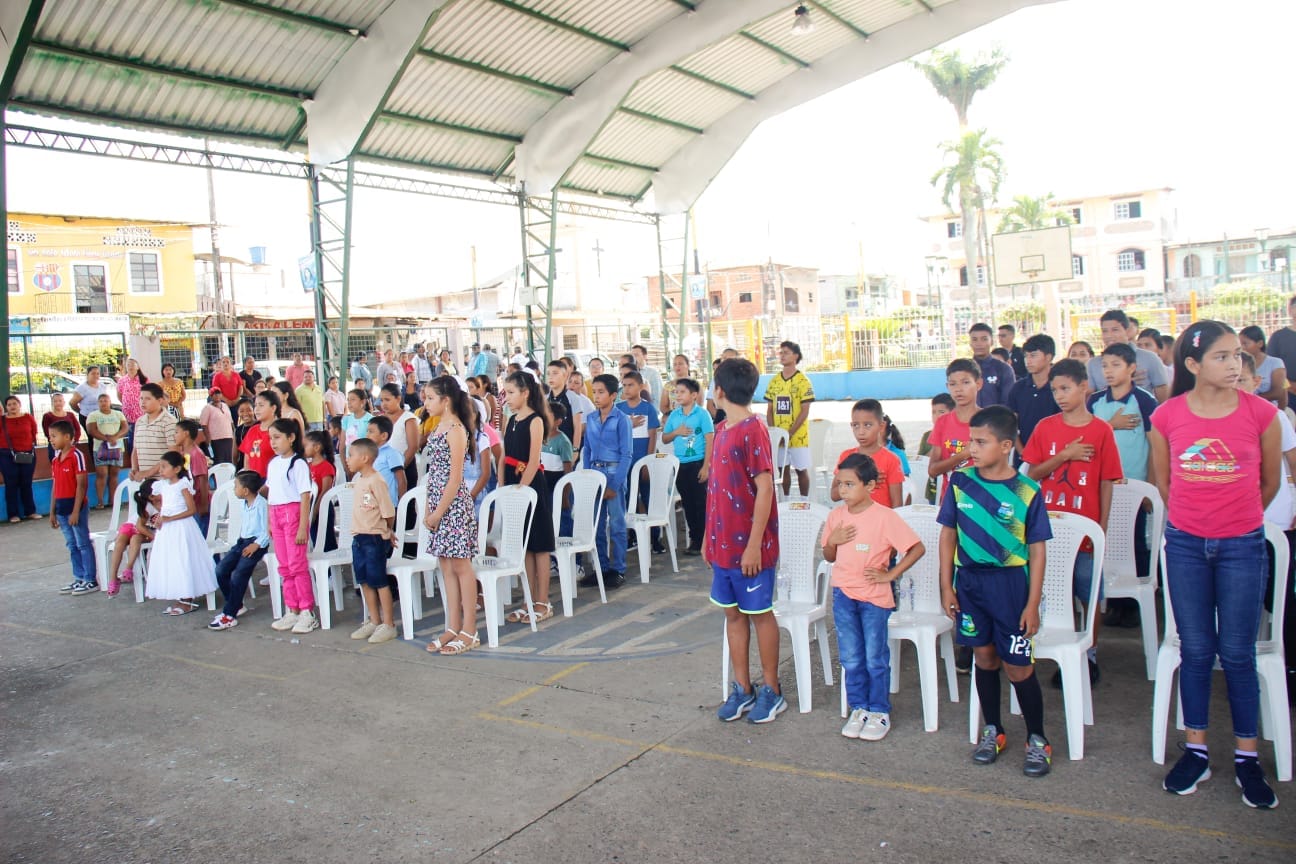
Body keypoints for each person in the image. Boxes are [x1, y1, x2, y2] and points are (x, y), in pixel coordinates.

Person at [1150, 320, 1281, 808]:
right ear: (1192, 364)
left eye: (1238, 356)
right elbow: (1165, 484)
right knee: (1197, 651)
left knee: (1239, 653)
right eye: (1222, 356)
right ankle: (1197, 751)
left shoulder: (1262, 413)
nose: (1234, 365)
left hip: (1242, 546)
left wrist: (1234, 519)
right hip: (1185, 546)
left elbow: (1269, 482)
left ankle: (1248, 757)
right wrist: (1197, 521)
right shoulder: (1166, 416)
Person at [938, 406, 1053, 776]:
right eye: (970, 441)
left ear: (1006, 446)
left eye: (981, 442)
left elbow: (1038, 551)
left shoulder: (1027, 490)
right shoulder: (960, 482)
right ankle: (993, 730)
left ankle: (1037, 739)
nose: (971, 448)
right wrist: (947, 586)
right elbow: (948, 536)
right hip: (970, 584)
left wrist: (1032, 604)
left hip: (1011, 586)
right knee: (984, 657)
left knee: (1018, 666)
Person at [1021, 359, 1123, 685]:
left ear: (1084, 387)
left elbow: (1107, 481)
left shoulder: (1101, 430)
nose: (1060, 396)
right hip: (1048, 530)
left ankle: (1088, 655)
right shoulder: (1045, 427)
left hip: (1086, 530)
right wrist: (1065, 455)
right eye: (1055, 390)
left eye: (1065, 388)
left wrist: (1102, 526)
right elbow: (1032, 475)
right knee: (1051, 591)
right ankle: (1051, 651)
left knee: (1088, 593)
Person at [824, 453, 926, 741]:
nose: (843, 491)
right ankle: (859, 707)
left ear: (869, 486)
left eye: (850, 484)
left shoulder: (884, 517)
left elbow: (916, 548)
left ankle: (879, 710)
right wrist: (832, 541)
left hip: (874, 599)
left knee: (875, 657)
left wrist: (890, 575)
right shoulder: (836, 517)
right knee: (851, 657)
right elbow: (829, 556)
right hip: (843, 594)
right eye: (840, 484)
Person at [710, 358, 783, 724]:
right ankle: (743, 687)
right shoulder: (721, 430)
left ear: (719, 390)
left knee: (759, 614)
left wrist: (754, 545)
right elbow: (716, 492)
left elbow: (765, 488)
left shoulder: (753, 430)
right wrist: (709, 540)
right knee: (733, 614)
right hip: (722, 545)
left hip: (751, 548)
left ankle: (772, 688)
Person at [1089, 341, 1161, 624]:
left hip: (1134, 485)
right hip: (1102, 485)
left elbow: (1155, 446)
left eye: (1116, 365)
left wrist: (1151, 487)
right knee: (1108, 541)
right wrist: (1111, 425)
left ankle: (1132, 608)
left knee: (1134, 542)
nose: (1108, 371)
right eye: (1105, 365)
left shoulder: (1144, 400)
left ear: (1132, 368)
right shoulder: (1095, 401)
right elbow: (1088, 437)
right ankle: (1113, 602)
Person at [419, 376, 481, 654]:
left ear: (446, 400)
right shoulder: (438, 427)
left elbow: (455, 479)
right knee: (446, 566)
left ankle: (469, 629)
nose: (426, 403)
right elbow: (433, 473)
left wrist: (438, 512)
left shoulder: (456, 429)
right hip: (439, 504)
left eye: (431, 398)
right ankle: (453, 626)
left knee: (461, 566)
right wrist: (428, 509)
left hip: (453, 507)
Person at [501, 370, 558, 621]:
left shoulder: (535, 420)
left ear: (525, 393)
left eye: (511, 392)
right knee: (525, 546)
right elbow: (504, 456)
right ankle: (528, 600)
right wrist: (503, 488)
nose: (507, 397)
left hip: (531, 486)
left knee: (540, 546)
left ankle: (543, 601)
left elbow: (533, 461)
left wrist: (521, 492)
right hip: (512, 484)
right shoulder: (511, 419)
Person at [337, 437, 398, 645]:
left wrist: (387, 530)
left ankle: (388, 624)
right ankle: (374, 620)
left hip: (374, 538)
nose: (347, 459)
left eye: (351, 455)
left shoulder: (376, 481)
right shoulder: (359, 479)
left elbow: (388, 512)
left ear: (364, 458)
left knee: (379, 581)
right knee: (363, 580)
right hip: (359, 537)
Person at [143, 451, 218, 615]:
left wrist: (170, 518)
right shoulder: (162, 486)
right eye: (160, 467)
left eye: (164, 467)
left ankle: (187, 598)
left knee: (184, 559)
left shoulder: (182, 485)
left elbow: (191, 510)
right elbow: (165, 506)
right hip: (167, 529)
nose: (161, 470)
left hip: (182, 528)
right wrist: (160, 518)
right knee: (172, 561)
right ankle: (179, 596)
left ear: (176, 469)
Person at [581, 374, 633, 591]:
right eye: (594, 392)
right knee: (597, 524)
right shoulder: (591, 418)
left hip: (613, 472)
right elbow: (587, 449)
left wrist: (615, 484)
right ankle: (601, 568)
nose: (597, 396)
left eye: (601, 392)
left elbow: (627, 454)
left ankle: (618, 569)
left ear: (613, 395)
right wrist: (587, 475)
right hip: (595, 472)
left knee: (617, 524)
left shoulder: (622, 419)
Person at [265, 418, 318, 634]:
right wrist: (270, 521)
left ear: (291, 438)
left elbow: (305, 496)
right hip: (276, 515)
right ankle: (292, 608)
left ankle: (307, 611)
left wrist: (303, 526)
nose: (273, 442)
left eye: (277, 437)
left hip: (293, 515)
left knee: (297, 565)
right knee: (284, 565)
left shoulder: (298, 464)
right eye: (271, 438)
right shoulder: (273, 464)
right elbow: (271, 495)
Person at [207, 470, 270, 630]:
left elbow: (267, 530)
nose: (234, 489)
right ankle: (236, 605)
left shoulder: (262, 505)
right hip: (242, 542)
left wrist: (256, 545)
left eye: (236, 486)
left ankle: (229, 615)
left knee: (239, 574)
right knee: (221, 570)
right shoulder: (244, 503)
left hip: (256, 544)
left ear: (246, 490)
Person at [662, 378, 714, 556]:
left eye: (682, 392)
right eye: (676, 392)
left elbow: (710, 440)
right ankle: (695, 540)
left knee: (701, 503)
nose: (678, 395)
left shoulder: (702, 414)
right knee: (688, 504)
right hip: (681, 465)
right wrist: (676, 432)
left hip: (698, 462)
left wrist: (706, 466)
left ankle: (705, 540)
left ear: (694, 395)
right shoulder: (674, 415)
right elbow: (665, 438)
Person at [48, 419, 97, 594]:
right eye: (49, 436)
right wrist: (52, 511)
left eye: (54, 436)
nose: (51, 440)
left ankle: (90, 580)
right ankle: (79, 577)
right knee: (71, 544)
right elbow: (55, 486)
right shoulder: (56, 459)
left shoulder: (76, 456)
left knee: (83, 543)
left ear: (67, 437)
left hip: (76, 507)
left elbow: (81, 485)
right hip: (61, 509)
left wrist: (76, 511)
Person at [617, 370, 663, 553]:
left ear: (640, 386)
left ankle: (655, 538)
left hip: (643, 461)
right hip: (625, 462)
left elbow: (652, 437)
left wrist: (647, 462)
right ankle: (632, 535)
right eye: (624, 385)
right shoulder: (619, 408)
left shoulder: (648, 408)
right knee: (628, 499)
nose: (627, 389)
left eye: (631, 385)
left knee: (647, 497)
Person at [764, 340, 816, 497]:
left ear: (796, 356)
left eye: (786, 353)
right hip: (780, 436)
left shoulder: (803, 381)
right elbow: (770, 410)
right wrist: (774, 433)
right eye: (781, 353)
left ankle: (804, 501)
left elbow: (805, 410)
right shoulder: (774, 381)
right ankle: (785, 500)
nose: (782, 355)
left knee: (801, 469)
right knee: (782, 469)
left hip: (798, 436)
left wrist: (791, 433)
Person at [832, 399, 904, 508]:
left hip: (881, 518)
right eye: (856, 425)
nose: (861, 432)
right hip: (853, 517)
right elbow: (834, 495)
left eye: (868, 425)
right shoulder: (846, 457)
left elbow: (897, 504)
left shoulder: (891, 459)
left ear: (881, 426)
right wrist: (863, 480)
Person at [1086, 310, 1169, 403]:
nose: (1109, 335)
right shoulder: (1093, 364)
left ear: (1127, 331)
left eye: (1115, 330)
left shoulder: (1149, 358)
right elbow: (1089, 397)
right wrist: (1121, 384)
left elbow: (1162, 390)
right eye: (1105, 331)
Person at [1007, 333, 1060, 453]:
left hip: (1055, 452)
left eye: (1033, 355)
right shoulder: (1018, 388)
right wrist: (1022, 452)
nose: (1028, 361)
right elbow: (1010, 424)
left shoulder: (1059, 387)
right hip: (1024, 453)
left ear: (1048, 357)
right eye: (1026, 356)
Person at [105, 479, 156, 598]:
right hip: (135, 527)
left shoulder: (156, 505)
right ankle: (118, 575)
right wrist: (153, 537)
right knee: (121, 543)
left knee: (130, 541)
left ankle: (122, 572)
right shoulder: (149, 507)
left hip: (135, 529)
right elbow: (139, 526)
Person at [84, 392, 127, 510]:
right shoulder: (93, 415)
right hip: (100, 449)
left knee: (114, 474)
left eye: (106, 400)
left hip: (117, 448)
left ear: (110, 402)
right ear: (98, 403)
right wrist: (107, 439)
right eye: (101, 401)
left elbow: (125, 428)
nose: (103, 403)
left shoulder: (118, 414)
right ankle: (100, 501)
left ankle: (113, 501)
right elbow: (91, 430)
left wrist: (115, 437)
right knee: (101, 474)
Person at [1, 395, 38, 522]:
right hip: (7, 455)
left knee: (26, 483)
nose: (12, 406)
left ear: (19, 405)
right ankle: (13, 514)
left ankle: (30, 512)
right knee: (11, 483)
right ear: (6, 407)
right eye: (9, 404)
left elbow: (34, 432)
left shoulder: (28, 417)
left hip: (27, 453)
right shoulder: (2, 420)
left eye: (14, 404)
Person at [130, 383, 177, 481]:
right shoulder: (139, 421)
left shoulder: (169, 421)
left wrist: (148, 472)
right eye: (141, 398)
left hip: (163, 481)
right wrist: (134, 469)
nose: (143, 402)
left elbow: (173, 453)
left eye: (148, 399)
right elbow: (135, 450)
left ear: (159, 401)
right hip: (144, 481)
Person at [378, 383, 419, 491]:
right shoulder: (379, 420)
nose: (384, 404)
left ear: (398, 399)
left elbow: (413, 447)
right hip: (382, 470)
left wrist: (398, 469)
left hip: (405, 468)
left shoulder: (409, 418)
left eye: (387, 400)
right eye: (381, 400)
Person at [173, 418, 211, 535]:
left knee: (200, 535)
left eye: (176, 432)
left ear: (186, 434)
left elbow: (203, 479)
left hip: (199, 502)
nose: (174, 436)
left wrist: (204, 504)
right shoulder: (182, 453)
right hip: (190, 502)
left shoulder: (196, 454)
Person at [1238, 325, 1287, 409]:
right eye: (1240, 344)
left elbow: (1278, 392)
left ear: (1260, 343)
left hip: (1268, 410)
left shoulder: (1275, 363)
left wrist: (1249, 399)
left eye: (1245, 343)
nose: (1242, 348)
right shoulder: (1238, 363)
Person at [918, 393, 954, 504]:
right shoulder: (927, 436)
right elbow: (920, 462)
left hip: (950, 488)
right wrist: (937, 441)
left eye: (941, 412)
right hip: (932, 488)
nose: (937, 416)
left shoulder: (957, 437)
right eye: (933, 412)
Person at [968, 323, 1015, 407]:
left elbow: (1008, 402)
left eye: (984, 339)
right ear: (970, 343)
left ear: (992, 341)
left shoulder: (1004, 369)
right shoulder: (964, 369)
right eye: (974, 339)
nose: (979, 344)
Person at [365, 414, 407, 508]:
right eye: (367, 431)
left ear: (383, 436)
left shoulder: (392, 454)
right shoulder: (370, 455)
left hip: (387, 504)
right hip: (371, 504)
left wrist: (401, 505)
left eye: (371, 432)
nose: (367, 435)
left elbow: (401, 480)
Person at [1265, 295, 1296, 401]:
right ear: (1290, 310)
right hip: (1287, 395)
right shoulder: (1278, 337)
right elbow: (1271, 367)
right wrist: (1290, 386)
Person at [115, 359, 147, 451]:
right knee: (131, 438)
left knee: (142, 437)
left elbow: (148, 394)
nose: (130, 366)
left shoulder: (144, 380)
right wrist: (128, 403)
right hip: (128, 414)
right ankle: (132, 457)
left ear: (137, 367)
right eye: (128, 364)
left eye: (133, 364)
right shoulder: (122, 380)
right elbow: (119, 395)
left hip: (142, 414)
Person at [69, 365, 113, 431]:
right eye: (93, 373)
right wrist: (81, 411)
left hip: (101, 417)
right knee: (93, 436)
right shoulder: (82, 388)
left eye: (98, 373)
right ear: (87, 375)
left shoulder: (102, 386)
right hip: (87, 418)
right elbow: (72, 403)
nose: (96, 375)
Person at [340, 388, 373, 473]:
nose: (349, 403)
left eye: (353, 399)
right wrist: (345, 466)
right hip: (350, 464)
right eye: (348, 400)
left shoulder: (370, 420)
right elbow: (342, 445)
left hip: (365, 464)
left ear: (363, 402)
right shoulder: (346, 420)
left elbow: (372, 445)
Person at [40, 392, 81, 462]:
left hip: (70, 445)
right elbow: (47, 432)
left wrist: (73, 440)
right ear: (52, 403)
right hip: (55, 447)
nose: (58, 403)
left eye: (60, 401)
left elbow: (77, 429)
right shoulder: (47, 416)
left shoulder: (70, 415)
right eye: (55, 401)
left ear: (64, 402)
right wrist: (58, 442)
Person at [199, 392, 235, 464]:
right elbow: (204, 424)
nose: (217, 395)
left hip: (228, 437)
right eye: (215, 394)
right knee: (219, 461)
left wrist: (234, 435)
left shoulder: (225, 405)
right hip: (215, 439)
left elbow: (231, 422)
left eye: (219, 393)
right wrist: (208, 438)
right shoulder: (207, 408)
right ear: (211, 396)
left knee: (229, 460)